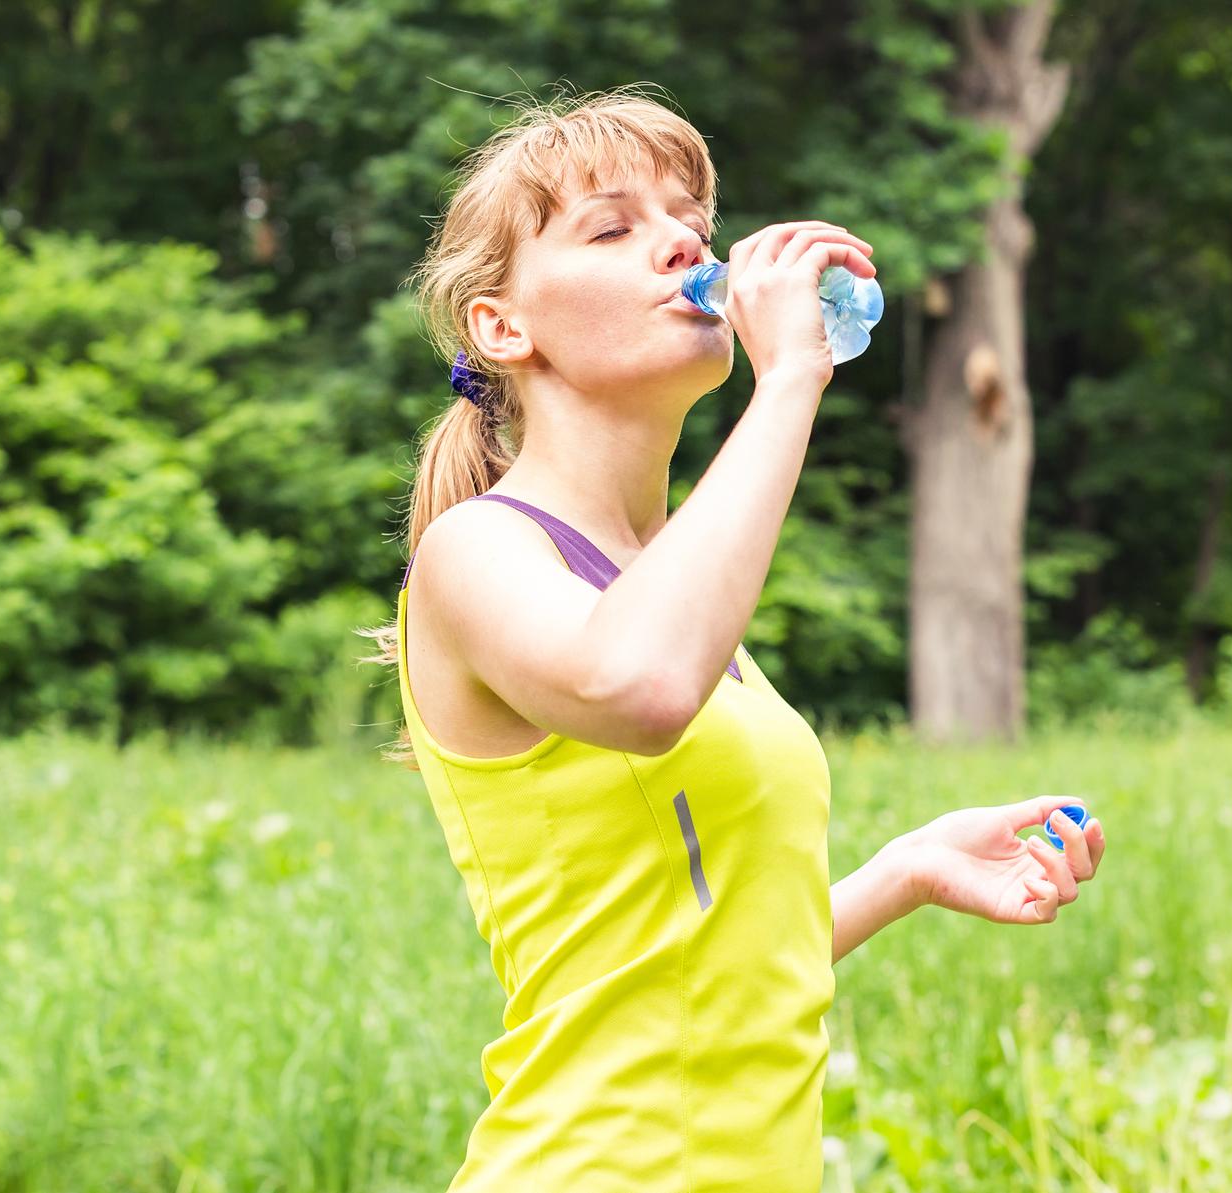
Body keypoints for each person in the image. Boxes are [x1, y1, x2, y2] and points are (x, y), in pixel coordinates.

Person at [359, 85, 1105, 1192]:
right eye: (613, 228)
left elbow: (689, 964)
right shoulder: (479, 552)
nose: (678, 245)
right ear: (502, 325)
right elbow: (643, 684)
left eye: (691, 227)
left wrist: (904, 871)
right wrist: (794, 375)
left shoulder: (677, 591)